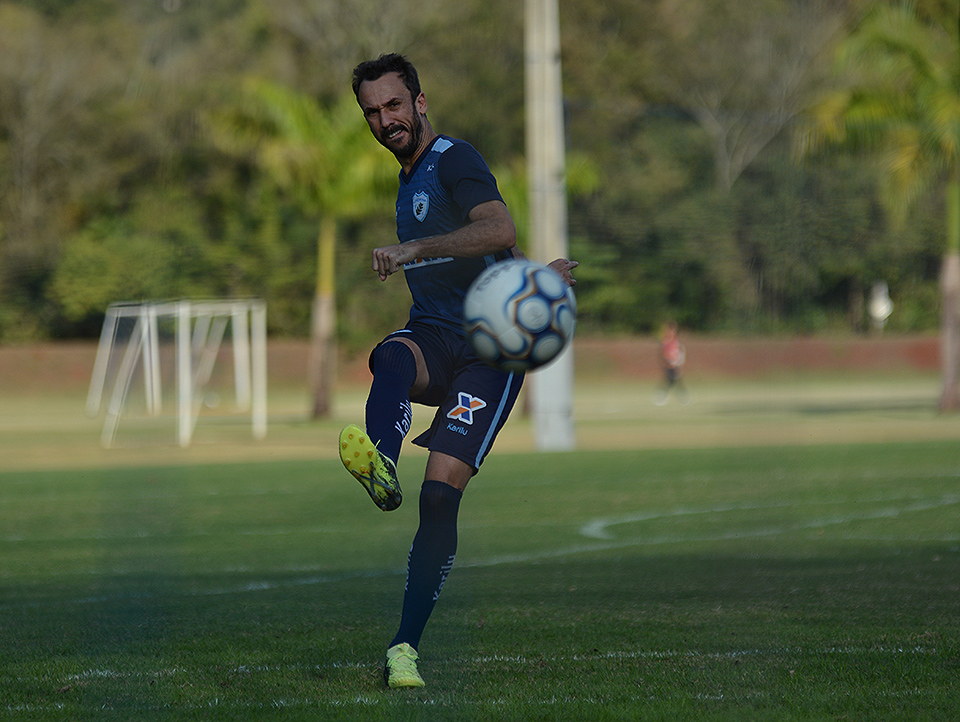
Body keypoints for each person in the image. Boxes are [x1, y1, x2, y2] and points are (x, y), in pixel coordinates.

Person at [340, 53, 577, 689]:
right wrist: (532, 275)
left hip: (490, 354)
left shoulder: (455, 157)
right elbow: (499, 248)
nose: (385, 119)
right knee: (389, 355)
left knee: (440, 498)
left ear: (419, 101)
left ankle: (403, 649)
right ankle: (381, 463)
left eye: (394, 104)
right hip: (436, 335)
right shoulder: (409, 177)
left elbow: (497, 224)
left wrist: (414, 248)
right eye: (372, 111)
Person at [655, 321, 689, 405]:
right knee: (672, 380)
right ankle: (661, 395)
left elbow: (676, 351)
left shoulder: (675, 340)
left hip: (675, 363)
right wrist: (669, 362)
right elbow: (664, 353)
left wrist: (678, 360)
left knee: (674, 380)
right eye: (672, 330)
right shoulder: (666, 340)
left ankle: (681, 397)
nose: (673, 331)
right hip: (669, 364)